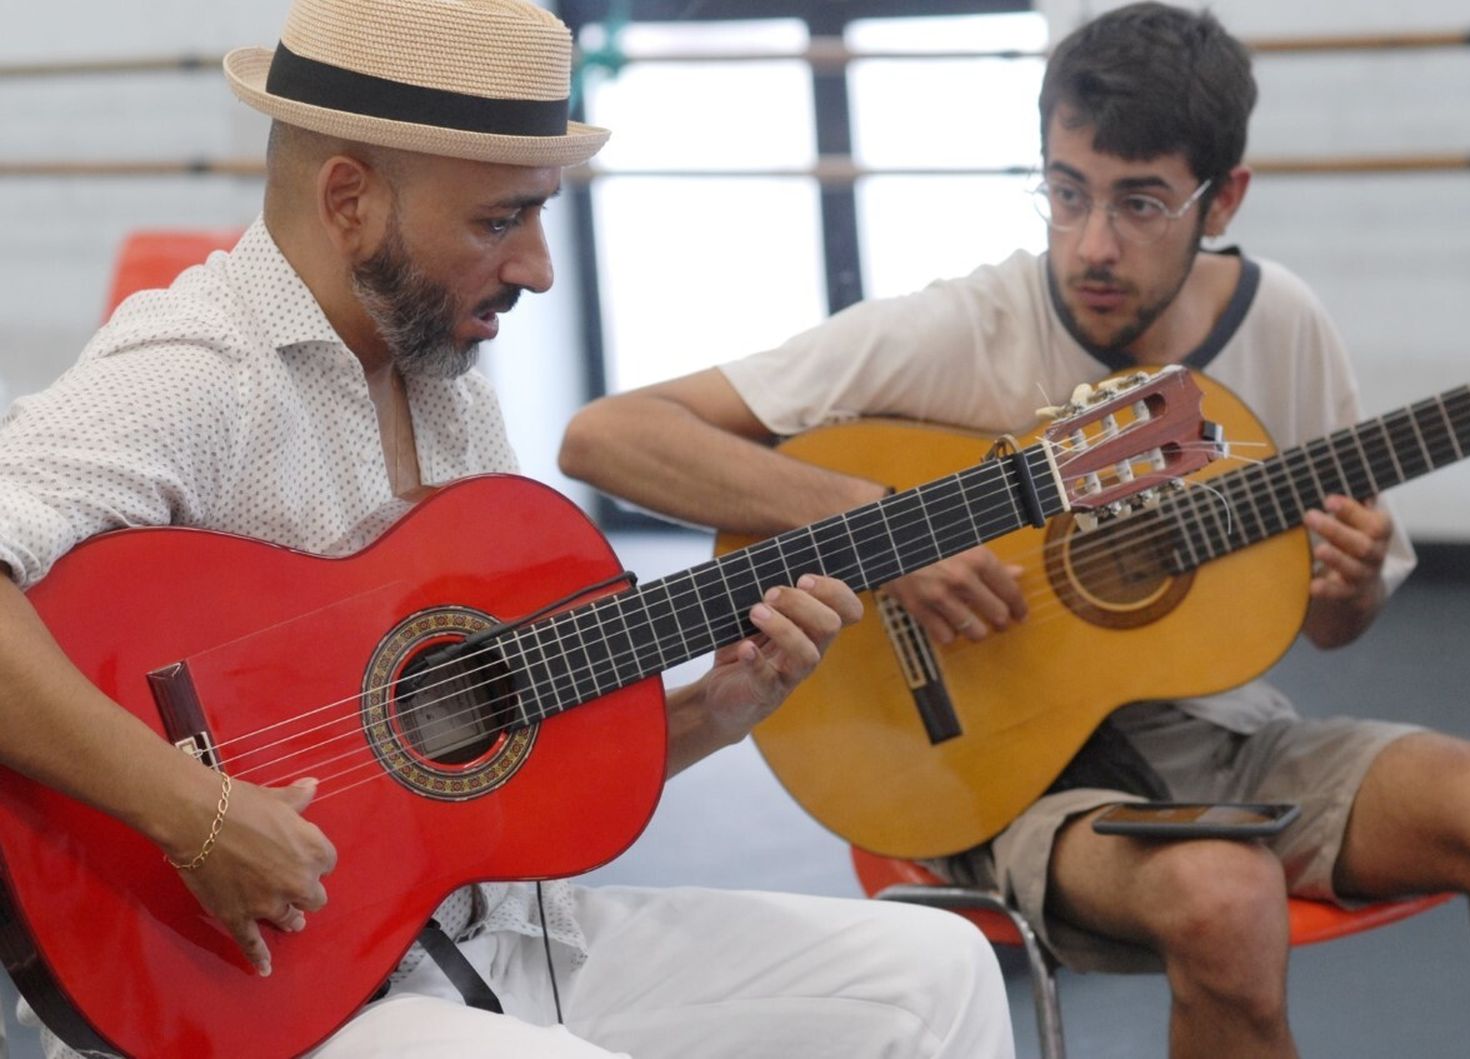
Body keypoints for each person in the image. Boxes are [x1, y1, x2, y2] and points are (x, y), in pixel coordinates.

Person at [559, 3, 1470, 1056]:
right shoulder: (960, 328)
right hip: (987, 776)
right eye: (1066, 193)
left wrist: (1350, 588)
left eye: (1139, 203)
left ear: (1221, 197)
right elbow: (609, 437)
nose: (1091, 244)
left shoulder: (1282, 323)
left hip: (1223, 739)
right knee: (1223, 899)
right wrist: (884, 527)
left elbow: (1331, 626)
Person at [0, 1, 1017, 1057]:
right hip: (245, 986)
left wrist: (715, 708)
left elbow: (481, 775)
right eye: (499, 221)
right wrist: (194, 814)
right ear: (348, 198)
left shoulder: (451, 394)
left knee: (933, 975)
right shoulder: (192, 372)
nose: (538, 268)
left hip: (476, 942)